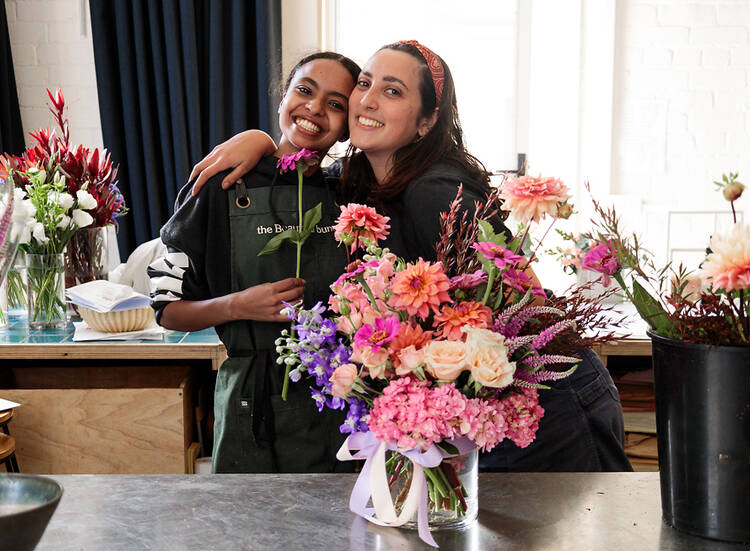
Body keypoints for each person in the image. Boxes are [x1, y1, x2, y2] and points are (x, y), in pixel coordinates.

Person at [189, 41, 632, 472]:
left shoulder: (432, 190)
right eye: (365, 84)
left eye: (393, 90)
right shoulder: (367, 189)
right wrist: (261, 140)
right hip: (487, 403)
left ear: (426, 121)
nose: (369, 99)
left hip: (547, 399)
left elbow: (525, 297)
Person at [148, 52, 361, 473]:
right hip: (250, 404)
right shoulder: (222, 182)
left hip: (339, 405)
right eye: (304, 91)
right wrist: (238, 305)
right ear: (283, 99)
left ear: (347, 125)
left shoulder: (351, 195)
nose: (315, 109)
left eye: (336, 104)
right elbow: (167, 311)